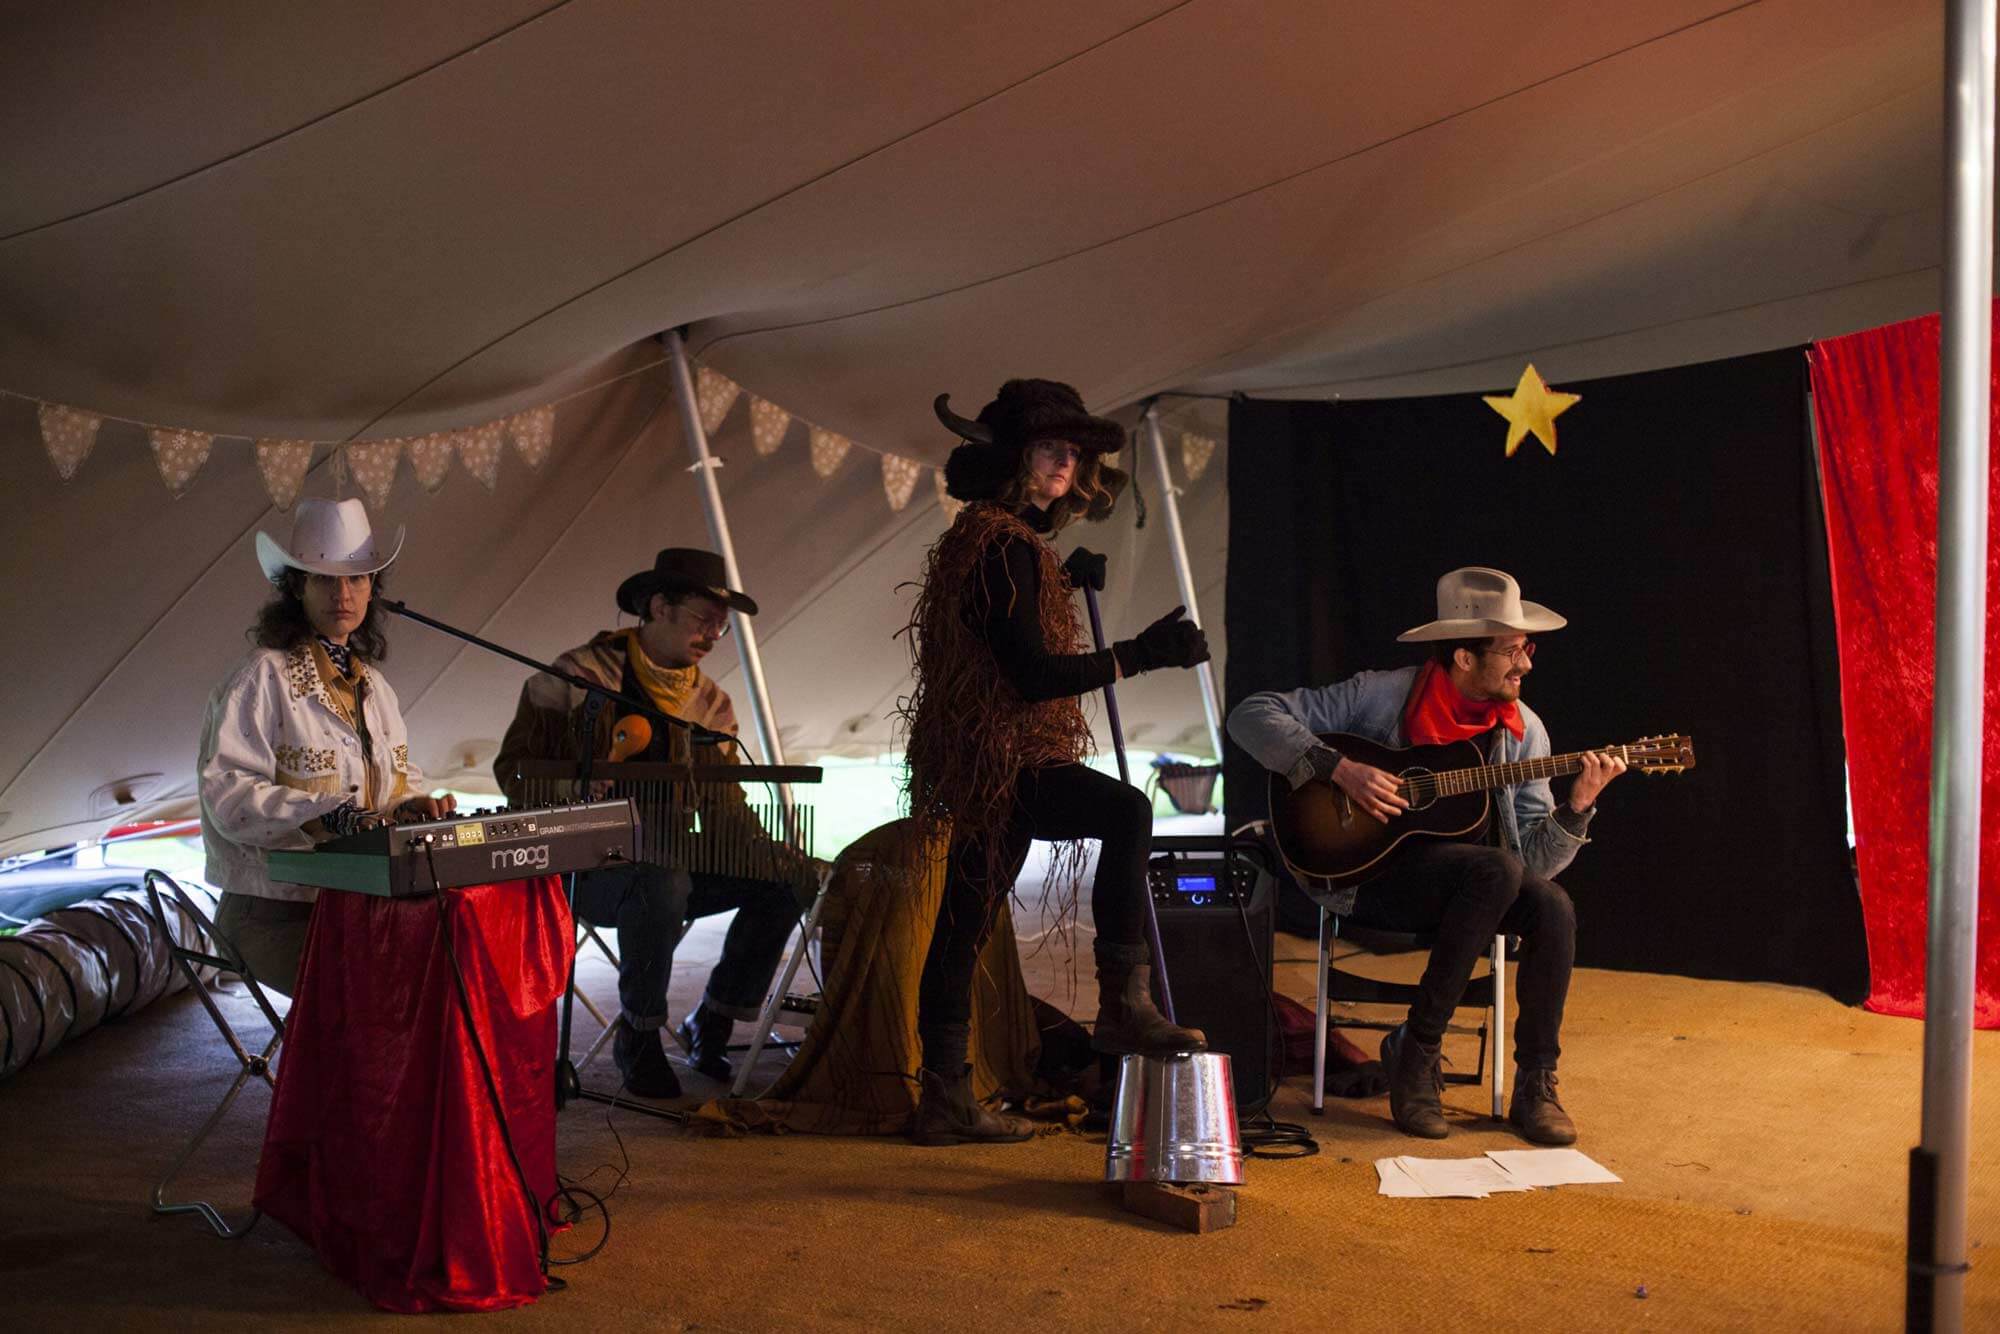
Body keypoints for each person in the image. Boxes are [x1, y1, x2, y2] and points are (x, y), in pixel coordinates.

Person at [901, 379, 1212, 1145]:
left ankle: (944, 1097)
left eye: (1073, 452)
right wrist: (1141, 654)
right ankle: (1122, 1003)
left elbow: (1001, 629)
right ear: (1011, 457)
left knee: (964, 922)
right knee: (1127, 809)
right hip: (1005, 756)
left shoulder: (998, 542)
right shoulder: (1002, 546)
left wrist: (1064, 579)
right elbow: (1032, 674)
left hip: (981, 759)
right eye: (1050, 449)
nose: (1066, 465)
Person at [1226, 567, 1625, 1145]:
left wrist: (1577, 808)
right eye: (1512, 650)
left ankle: (1535, 1080)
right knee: (1495, 869)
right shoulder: (1380, 695)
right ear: (1464, 657)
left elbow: (1532, 865)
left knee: (1552, 905)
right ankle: (1419, 1057)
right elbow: (1250, 714)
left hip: (1475, 892)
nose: (1527, 664)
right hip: (1368, 881)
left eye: (1527, 648)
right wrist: (1338, 768)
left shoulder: (1523, 733)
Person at [495, 548, 824, 1099]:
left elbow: (724, 809)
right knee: (661, 882)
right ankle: (640, 1037)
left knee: (783, 881)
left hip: (673, 864)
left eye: (721, 626)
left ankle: (712, 1020)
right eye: (703, 620)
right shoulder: (578, 677)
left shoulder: (711, 705)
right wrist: (571, 787)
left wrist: (777, 855)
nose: (714, 635)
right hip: (586, 870)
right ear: (658, 607)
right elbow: (514, 771)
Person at [198, 498, 454, 994]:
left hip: (356, 904)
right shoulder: (261, 677)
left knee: (445, 963)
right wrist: (325, 815)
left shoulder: (375, 687)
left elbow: (387, 788)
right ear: (296, 588)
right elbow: (228, 796)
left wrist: (410, 805)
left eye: (357, 579)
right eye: (324, 579)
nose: (344, 593)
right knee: (376, 991)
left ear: (372, 590)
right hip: (270, 912)